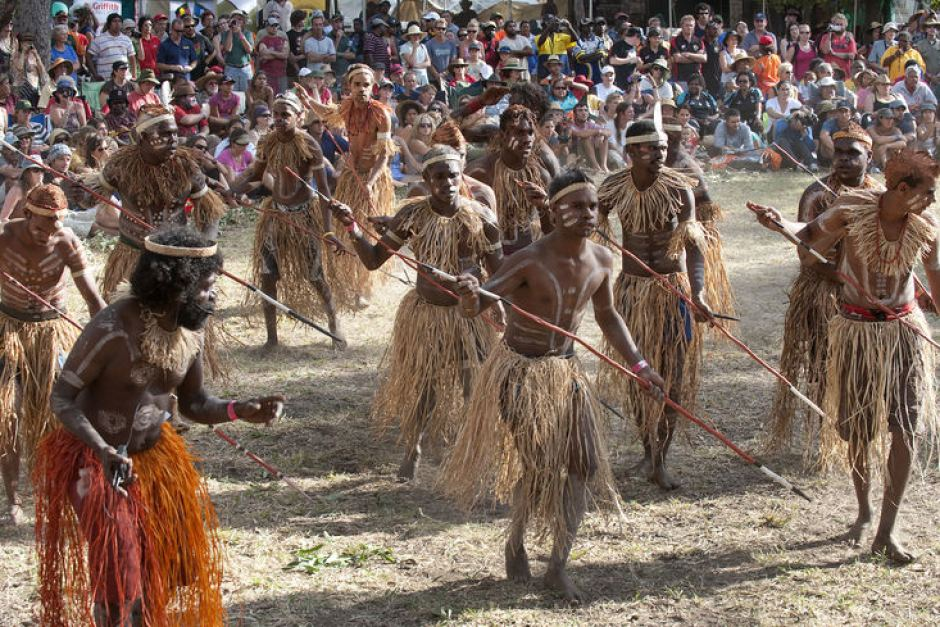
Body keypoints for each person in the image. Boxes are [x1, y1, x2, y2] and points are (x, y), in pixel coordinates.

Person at [34, 226, 284, 624]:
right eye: (206, 287)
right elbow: (60, 398)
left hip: (152, 459)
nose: (212, 296)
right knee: (119, 576)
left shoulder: (189, 332)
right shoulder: (112, 328)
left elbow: (195, 404)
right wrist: (102, 450)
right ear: (176, 286)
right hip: (96, 463)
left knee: (158, 574)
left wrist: (240, 410)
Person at [442, 169, 665, 604]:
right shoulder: (527, 259)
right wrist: (468, 293)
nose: (588, 214)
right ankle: (516, 540)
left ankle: (557, 565)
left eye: (593, 206)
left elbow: (608, 317)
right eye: (577, 205)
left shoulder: (602, 259)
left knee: (582, 463)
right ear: (553, 210)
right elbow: (478, 306)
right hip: (521, 373)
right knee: (540, 466)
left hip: (566, 372)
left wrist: (640, 365)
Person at [750, 149, 939, 564]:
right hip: (855, 331)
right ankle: (864, 510)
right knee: (858, 429)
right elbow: (810, 233)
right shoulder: (853, 207)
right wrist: (781, 223)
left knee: (907, 426)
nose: (932, 201)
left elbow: (936, 282)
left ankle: (886, 531)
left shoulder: (926, 227)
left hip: (904, 334)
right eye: (927, 192)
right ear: (902, 189)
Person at [329, 145, 501, 480]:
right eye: (439, 177)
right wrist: (351, 227)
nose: (448, 182)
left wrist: (484, 292)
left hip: (469, 316)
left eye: (453, 175)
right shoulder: (412, 216)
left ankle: (476, 457)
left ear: (460, 174)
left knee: (473, 387)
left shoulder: (481, 217)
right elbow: (374, 259)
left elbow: (501, 273)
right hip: (426, 315)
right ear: (426, 179)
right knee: (425, 387)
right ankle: (413, 451)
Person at [597, 120, 709, 490]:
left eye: (663, 148)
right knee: (638, 371)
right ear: (630, 153)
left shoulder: (679, 190)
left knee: (672, 374)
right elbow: (589, 233)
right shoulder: (613, 188)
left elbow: (693, 246)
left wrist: (699, 294)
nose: (661, 155)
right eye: (651, 149)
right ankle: (648, 449)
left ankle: (661, 457)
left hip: (670, 292)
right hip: (631, 290)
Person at [765, 124, 883, 459]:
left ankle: (859, 433)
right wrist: (840, 274)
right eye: (839, 153)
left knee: (862, 368)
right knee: (823, 367)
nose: (843, 160)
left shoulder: (880, 198)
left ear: (869, 157)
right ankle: (825, 434)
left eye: (852, 154)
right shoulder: (817, 194)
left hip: (865, 296)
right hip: (822, 292)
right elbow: (806, 252)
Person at [0, 184, 103, 524]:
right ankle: (12, 500)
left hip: (50, 332)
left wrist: (112, 336)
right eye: (40, 226)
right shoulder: (4, 237)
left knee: (60, 417)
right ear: (25, 214)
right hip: (8, 331)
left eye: (55, 226)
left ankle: (60, 489)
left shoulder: (67, 242)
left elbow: (92, 300)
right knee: (7, 416)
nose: (47, 234)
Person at [229, 93, 345, 350]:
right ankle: (272, 339)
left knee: (315, 276)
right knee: (268, 276)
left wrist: (327, 231)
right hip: (276, 215)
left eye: (285, 115)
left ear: (298, 117)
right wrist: (235, 188)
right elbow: (256, 176)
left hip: (304, 216)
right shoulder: (268, 143)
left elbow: (325, 191)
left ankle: (335, 327)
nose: (279, 119)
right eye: (276, 114)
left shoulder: (309, 145)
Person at [86, 104, 226, 306]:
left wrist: (205, 251)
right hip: (132, 258)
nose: (173, 141)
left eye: (175, 134)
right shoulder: (120, 165)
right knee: (129, 321)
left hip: (176, 258)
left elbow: (210, 213)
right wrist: (80, 191)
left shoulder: (187, 166)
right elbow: (90, 199)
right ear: (142, 137)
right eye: (165, 134)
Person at [298, 64, 395, 310]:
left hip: (374, 178)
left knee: (366, 231)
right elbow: (327, 112)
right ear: (349, 87)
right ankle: (347, 282)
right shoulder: (347, 107)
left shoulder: (381, 114)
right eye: (357, 84)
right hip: (352, 177)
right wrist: (308, 100)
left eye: (366, 84)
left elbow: (384, 156)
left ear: (373, 86)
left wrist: (371, 184)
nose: (362, 89)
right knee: (345, 230)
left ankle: (363, 287)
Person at [662, 117, 733, 319]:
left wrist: (697, 233)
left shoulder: (686, 166)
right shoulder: (663, 162)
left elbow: (705, 207)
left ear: (670, 139)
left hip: (687, 240)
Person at [465, 105, 551, 255]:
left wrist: (544, 207)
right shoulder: (480, 173)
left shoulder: (540, 175)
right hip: (488, 256)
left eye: (530, 133)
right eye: (519, 133)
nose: (527, 139)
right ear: (503, 135)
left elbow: (551, 231)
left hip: (528, 254)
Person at [87, 13, 137, 82]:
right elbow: (89, 57)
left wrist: (134, 76)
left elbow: (132, 58)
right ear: (109, 24)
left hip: (124, 81)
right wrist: (95, 75)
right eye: (114, 21)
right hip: (105, 81)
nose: (117, 23)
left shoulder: (127, 39)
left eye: (119, 21)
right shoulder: (99, 39)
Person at [221, 10, 255, 92]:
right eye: (234, 19)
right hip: (230, 68)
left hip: (245, 69)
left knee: (247, 93)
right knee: (231, 94)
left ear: (243, 22)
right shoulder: (225, 33)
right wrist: (230, 31)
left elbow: (249, 50)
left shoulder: (248, 33)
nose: (237, 21)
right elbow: (228, 49)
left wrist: (239, 33)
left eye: (240, 19)